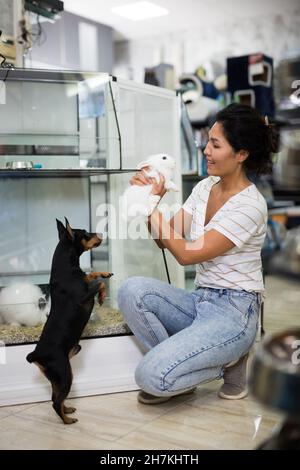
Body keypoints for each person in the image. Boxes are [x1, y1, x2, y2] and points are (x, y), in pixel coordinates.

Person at [118, 103, 279, 405]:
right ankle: (181, 369)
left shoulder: (250, 205)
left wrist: (151, 204)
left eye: (215, 144)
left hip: (235, 312)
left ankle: (229, 359)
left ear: (241, 154)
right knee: (131, 291)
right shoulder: (205, 187)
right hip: (199, 300)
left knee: (150, 377)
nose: (206, 150)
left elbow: (186, 254)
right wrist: (151, 194)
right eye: (208, 140)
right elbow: (162, 240)